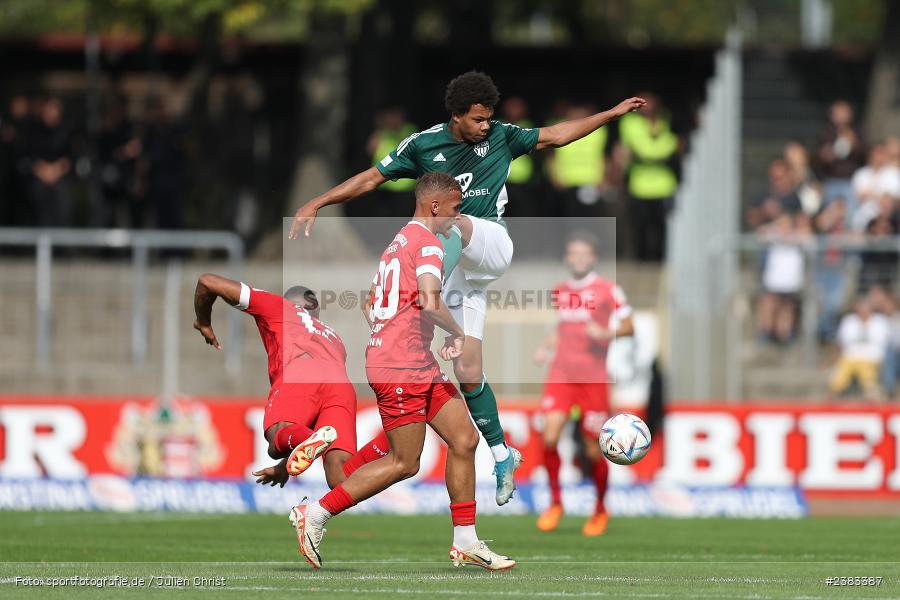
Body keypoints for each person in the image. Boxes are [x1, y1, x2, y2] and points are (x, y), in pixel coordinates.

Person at [290, 70, 645, 505]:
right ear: (456, 115)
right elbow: (370, 178)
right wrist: (318, 201)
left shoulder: (501, 136)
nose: (485, 126)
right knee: (468, 368)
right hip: (460, 272)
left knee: (447, 224)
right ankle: (502, 455)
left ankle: (420, 294)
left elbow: (556, 136)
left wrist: (610, 114)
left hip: (490, 243)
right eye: (478, 119)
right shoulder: (423, 145)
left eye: (489, 118)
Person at [290, 173, 515, 571]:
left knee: (464, 439)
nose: (458, 218)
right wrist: (457, 333)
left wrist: (397, 333)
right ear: (435, 206)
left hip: (413, 362)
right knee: (405, 461)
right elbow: (429, 299)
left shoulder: (399, 242)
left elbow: (371, 303)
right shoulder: (428, 244)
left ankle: (466, 541)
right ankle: (317, 514)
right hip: (400, 367)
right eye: (455, 209)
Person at [192, 273, 390, 489]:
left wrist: (204, 322)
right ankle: (388, 443)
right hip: (341, 384)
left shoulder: (278, 306)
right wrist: (286, 465)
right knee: (340, 476)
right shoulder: (333, 336)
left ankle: (309, 441)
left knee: (276, 439)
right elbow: (315, 416)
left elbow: (207, 281)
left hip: (300, 372)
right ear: (316, 312)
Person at [533, 232, 634, 536]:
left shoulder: (608, 290)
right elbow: (563, 326)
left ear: (593, 258)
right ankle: (555, 504)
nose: (578, 258)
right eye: (573, 253)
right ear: (567, 258)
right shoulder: (560, 290)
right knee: (550, 436)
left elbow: (629, 326)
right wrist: (546, 346)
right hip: (561, 375)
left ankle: (600, 509)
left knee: (593, 449)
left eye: (584, 253)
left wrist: (605, 334)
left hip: (592, 379)